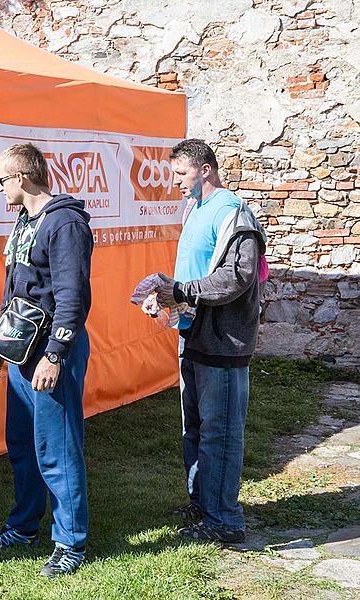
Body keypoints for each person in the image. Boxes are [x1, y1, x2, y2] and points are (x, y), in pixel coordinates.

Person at [0, 143, 93, 578]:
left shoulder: (64, 223)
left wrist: (55, 356)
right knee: (23, 445)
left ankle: (70, 543)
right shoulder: (25, 221)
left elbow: (72, 298)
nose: (0, 188)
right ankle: (24, 526)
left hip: (50, 355)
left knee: (58, 450)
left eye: (3, 179)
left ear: (22, 178)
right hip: (21, 352)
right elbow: (15, 294)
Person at [153, 139, 266, 544]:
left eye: (181, 174)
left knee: (221, 431)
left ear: (206, 169)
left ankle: (226, 520)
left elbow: (239, 276)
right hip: (193, 333)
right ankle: (203, 504)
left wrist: (182, 291)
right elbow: (196, 271)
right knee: (196, 427)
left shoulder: (235, 213)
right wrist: (166, 292)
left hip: (225, 340)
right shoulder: (194, 209)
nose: (176, 182)